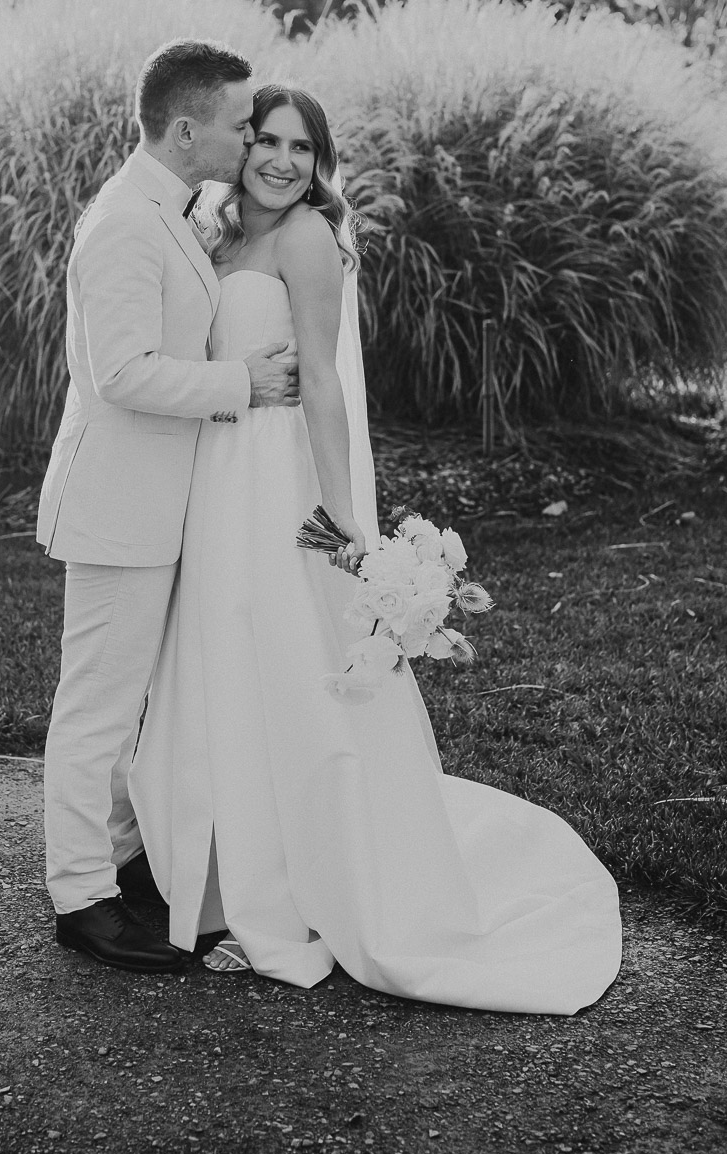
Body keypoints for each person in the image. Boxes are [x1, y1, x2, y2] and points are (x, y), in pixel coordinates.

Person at [129, 85, 622, 1011]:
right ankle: (220, 874)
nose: (282, 160)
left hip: (273, 480)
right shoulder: (217, 224)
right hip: (213, 469)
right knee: (216, 658)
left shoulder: (308, 238)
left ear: (321, 162)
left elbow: (322, 378)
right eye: (266, 141)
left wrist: (341, 511)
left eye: (302, 148)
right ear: (239, 147)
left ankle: (294, 878)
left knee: (279, 656)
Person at [36, 40, 300, 973]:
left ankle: (117, 861)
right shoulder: (123, 224)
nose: (247, 136)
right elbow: (123, 373)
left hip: (158, 505)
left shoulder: (173, 212)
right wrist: (244, 383)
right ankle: (80, 898)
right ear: (187, 129)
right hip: (117, 504)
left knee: (126, 704)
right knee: (97, 707)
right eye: (237, 124)